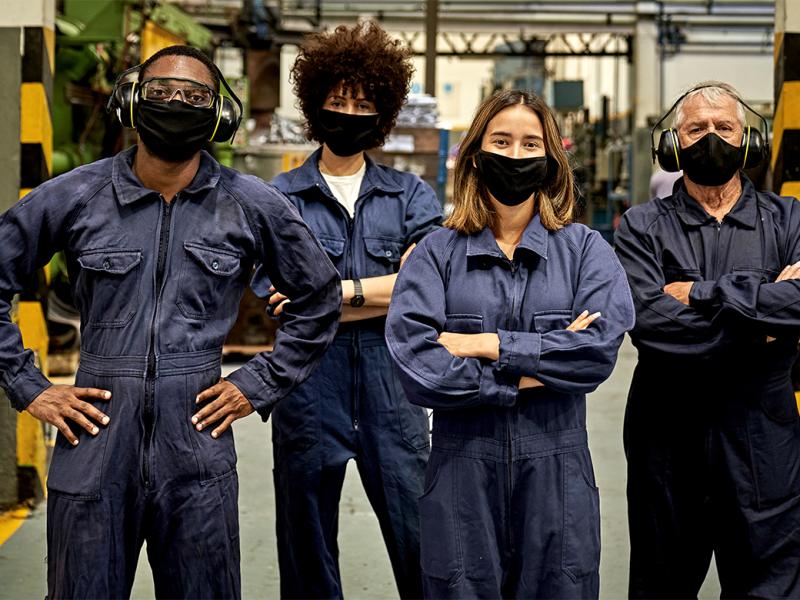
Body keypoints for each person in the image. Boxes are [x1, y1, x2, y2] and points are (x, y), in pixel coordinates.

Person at [0, 45, 341, 599]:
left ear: (218, 114)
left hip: (197, 446)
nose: (176, 103)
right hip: (94, 440)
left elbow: (320, 297)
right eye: (161, 91)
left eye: (194, 96)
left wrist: (257, 383)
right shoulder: (76, 195)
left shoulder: (250, 205)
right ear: (133, 103)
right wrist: (30, 387)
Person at [385, 89, 635, 599]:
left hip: (556, 471)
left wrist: (484, 344)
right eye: (501, 141)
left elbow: (595, 354)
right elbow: (416, 365)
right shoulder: (436, 253)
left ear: (551, 159)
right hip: (461, 468)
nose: (515, 156)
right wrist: (539, 367)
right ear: (476, 154)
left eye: (530, 144)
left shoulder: (585, 251)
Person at [254, 22, 443, 599]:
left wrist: (330, 295)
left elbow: (426, 292)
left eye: (363, 104)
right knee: (306, 549)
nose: (349, 114)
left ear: (383, 113)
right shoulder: (278, 198)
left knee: (421, 540)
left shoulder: (410, 196)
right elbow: (278, 298)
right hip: (308, 383)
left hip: (394, 385)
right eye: (338, 101)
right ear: (316, 105)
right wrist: (380, 293)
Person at [615, 81, 800, 598]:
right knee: (662, 585)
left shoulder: (788, 219)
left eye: (725, 127)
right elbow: (650, 325)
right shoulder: (641, 228)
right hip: (667, 439)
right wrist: (765, 323)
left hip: (763, 441)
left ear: (750, 141)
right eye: (696, 129)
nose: (711, 138)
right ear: (673, 144)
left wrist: (700, 293)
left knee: (771, 587)